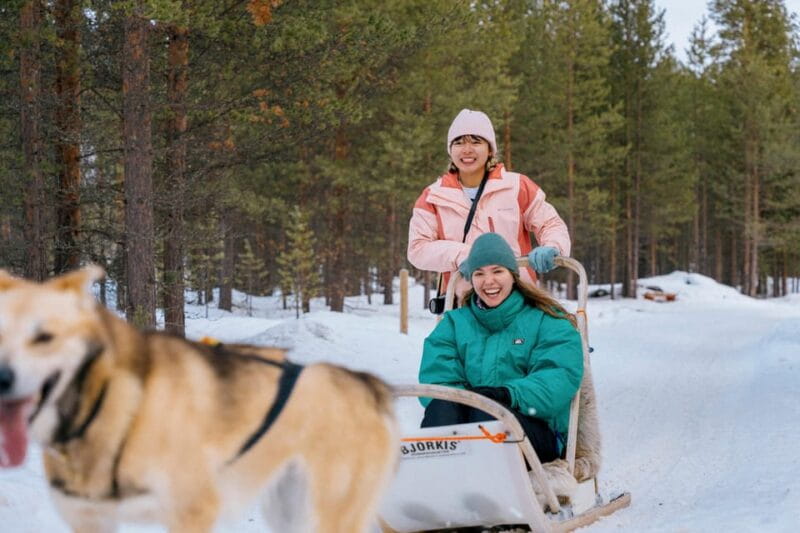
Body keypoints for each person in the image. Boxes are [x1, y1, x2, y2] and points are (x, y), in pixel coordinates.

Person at [418, 232, 583, 463]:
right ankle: (439, 481)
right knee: (442, 407)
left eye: (497, 271)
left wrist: (507, 395)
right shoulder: (454, 324)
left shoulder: (547, 321)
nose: (489, 281)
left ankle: (484, 484)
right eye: (479, 273)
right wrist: (466, 401)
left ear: (513, 275)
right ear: (472, 279)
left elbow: (557, 378)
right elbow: (437, 378)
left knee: (488, 413)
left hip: (534, 428)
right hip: (470, 429)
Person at [407, 108, 571, 301]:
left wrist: (553, 246)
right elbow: (418, 249)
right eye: (459, 142)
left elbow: (550, 223)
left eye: (476, 141)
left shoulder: (517, 186)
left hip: (518, 298)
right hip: (463, 303)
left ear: (490, 149)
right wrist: (463, 255)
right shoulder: (432, 197)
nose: (467, 149)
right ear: (450, 150)